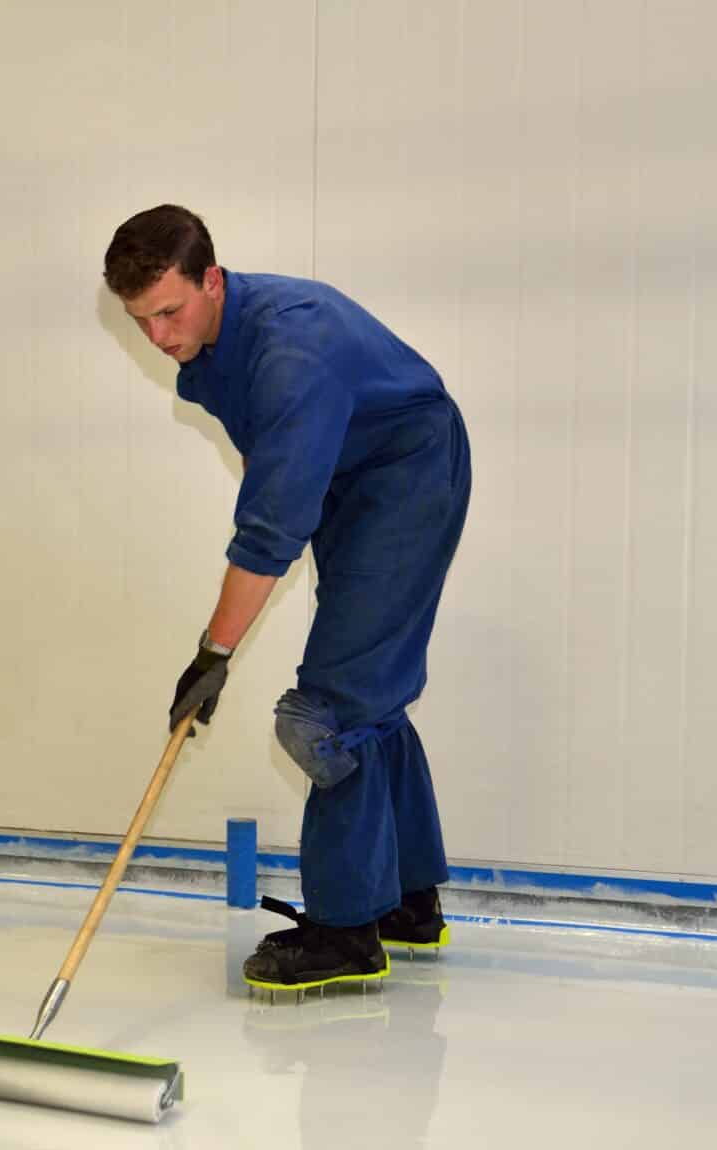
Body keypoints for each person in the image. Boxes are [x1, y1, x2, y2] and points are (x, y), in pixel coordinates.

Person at [103, 205, 471, 992]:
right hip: (355, 483)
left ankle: (344, 932)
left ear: (213, 279)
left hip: (405, 477)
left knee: (323, 712)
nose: (160, 337)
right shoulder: (218, 346)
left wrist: (214, 655)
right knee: (368, 692)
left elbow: (270, 530)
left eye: (169, 312)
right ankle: (407, 903)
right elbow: (283, 491)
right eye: (140, 321)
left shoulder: (290, 350)